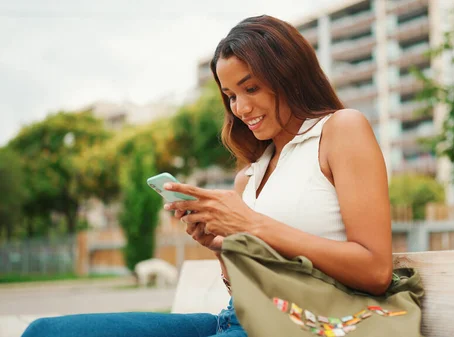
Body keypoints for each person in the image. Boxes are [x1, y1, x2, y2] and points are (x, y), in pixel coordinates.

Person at [22, 14, 392, 337]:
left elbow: (375, 270)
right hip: (237, 318)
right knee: (44, 332)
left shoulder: (340, 130)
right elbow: (248, 281)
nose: (240, 107)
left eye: (251, 88)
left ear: (289, 75)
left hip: (305, 324)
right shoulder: (250, 175)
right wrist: (222, 249)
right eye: (230, 94)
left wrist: (252, 225)